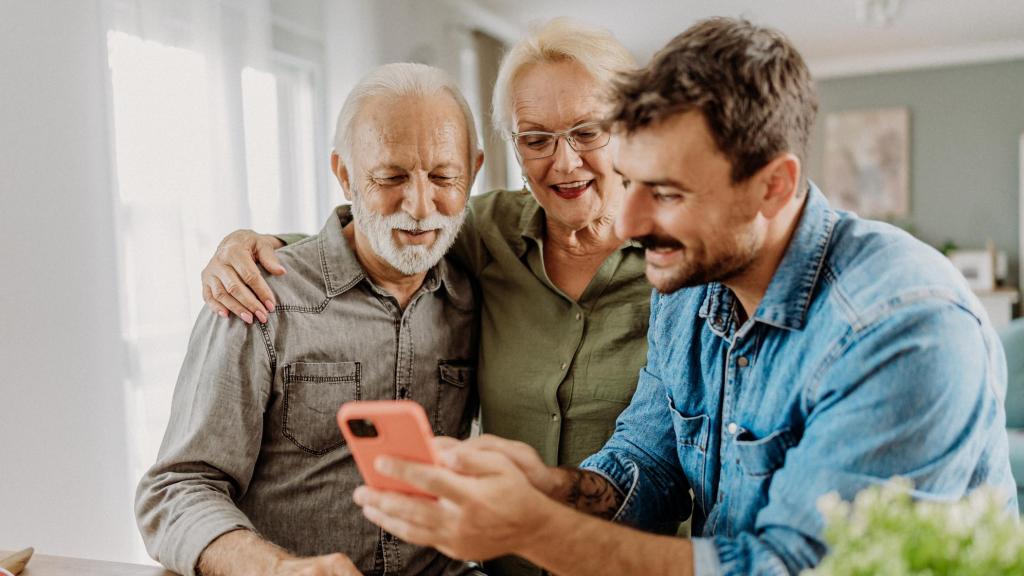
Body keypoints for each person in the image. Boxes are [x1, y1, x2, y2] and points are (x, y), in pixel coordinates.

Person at [349, 18, 1018, 576]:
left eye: (666, 193)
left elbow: (788, 567)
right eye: (632, 182)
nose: (633, 226)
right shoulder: (692, 284)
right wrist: (546, 486)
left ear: (773, 188)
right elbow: (646, 459)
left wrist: (536, 530)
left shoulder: (905, 328)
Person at [199, 19, 646, 575]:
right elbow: (384, 239)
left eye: (587, 132)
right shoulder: (489, 235)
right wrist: (250, 247)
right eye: (536, 139)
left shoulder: (683, 268)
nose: (564, 161)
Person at [135, 62, 485, 576]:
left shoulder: (474, 298)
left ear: (473, 172)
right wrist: (276, 569)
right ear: (344, 174)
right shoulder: (256, 297)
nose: (418, 204)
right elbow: (176, 491)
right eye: (390, 177)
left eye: (443, 177)